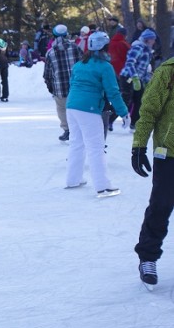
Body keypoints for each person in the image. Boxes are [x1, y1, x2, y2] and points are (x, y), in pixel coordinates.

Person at [65, 32, 128, 197]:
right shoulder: (105, 67)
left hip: (72, 106)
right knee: (96, 148)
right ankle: (103, 187)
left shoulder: (79, 64)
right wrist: (124, 112)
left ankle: (73, 179)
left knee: (76, 144)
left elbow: (72, 85)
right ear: (104, 47)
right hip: (89, 109)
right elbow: (113, 92)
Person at [131, 57, 174, 288]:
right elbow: (148, 111)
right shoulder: (167, 73)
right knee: (161, 206)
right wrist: (138, 146)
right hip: (168, 153)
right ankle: (147, 258)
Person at [43, 24, 83, 141]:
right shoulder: (76, 48)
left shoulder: (50, 53)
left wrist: (50, 86)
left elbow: (48, 74)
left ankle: (67, 130)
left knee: (62, 109)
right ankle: (79, 129)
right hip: (77, 86)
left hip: (60, 87)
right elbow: (83, 64)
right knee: (78, 108)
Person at [120, 29, 156, 130]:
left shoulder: (147, 50)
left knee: (139, 100)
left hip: (138, 79)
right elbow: (130, 63)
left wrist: (147, 79)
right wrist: (135, 77)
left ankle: (134, 124)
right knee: (126, 100)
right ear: (147, 39)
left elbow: (143, 69)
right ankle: (109, 119)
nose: (154, 41)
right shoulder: (138, 47)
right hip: (128, 77)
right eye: (153, 39)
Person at [106, 26, 131, 130]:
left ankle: (108, 118)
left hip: (111, 71)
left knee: (112, 95)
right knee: (123, 97)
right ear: (124, 35)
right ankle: (111, 119)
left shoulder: (109, 43)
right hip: (123, 73)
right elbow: (129, 58)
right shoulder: (124, 44)